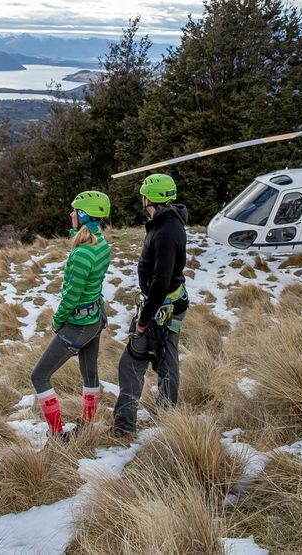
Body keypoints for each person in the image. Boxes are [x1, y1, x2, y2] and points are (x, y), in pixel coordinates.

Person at [30, 191, 112, 438]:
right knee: (89, 373)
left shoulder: (82, 253)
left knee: (40, 375)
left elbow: (71, 296)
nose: (71, 213)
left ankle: (56, 435)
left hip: (79, 323)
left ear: (86, 214)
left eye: (75, 210)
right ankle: (86, 426)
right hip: (95, 318)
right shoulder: (101, 245)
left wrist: (57, 321)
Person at [112, 173, 189, 436]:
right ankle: (167, 413)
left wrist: (143, 321)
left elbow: (160, 281)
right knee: (167, 358)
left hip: (160, 308)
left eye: (144, 196)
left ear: (150, 198)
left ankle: (124, 427)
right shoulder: (170, 222)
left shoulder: (165, 231)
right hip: (169, 305)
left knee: (131, 362)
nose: (142, 201)